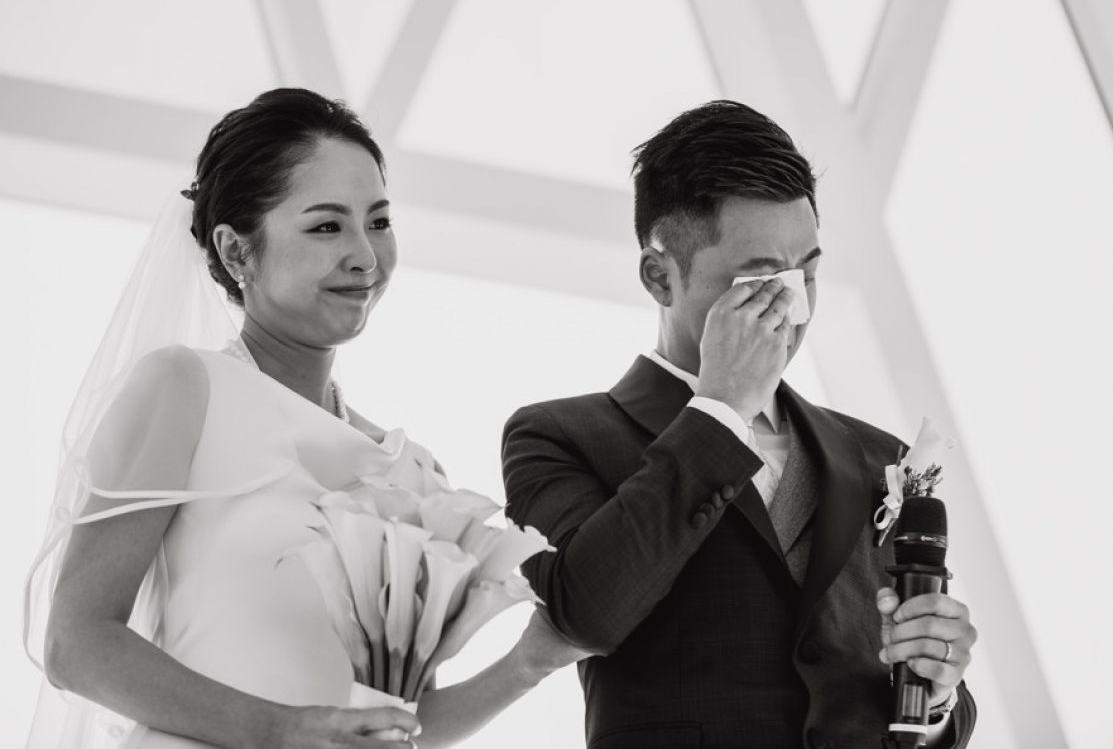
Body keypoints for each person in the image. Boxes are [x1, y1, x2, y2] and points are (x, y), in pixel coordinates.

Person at [24, 88, 584, 749]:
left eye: (379, 222)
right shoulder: (186, 388)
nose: (365, 256)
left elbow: (398, 723)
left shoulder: (414, 472)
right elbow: (76, 643)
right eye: (326, 226)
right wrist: (282, 730)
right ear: (236, 252)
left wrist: (528, 664)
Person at [502, 100, 979, 748]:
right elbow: (584, 614)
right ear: (659, 277)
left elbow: (906, 709)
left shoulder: (877, 455)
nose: (794, 307)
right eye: (761, 280)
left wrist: (938, 694)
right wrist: (722, 407)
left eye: (808, 273)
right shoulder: (558, 436)